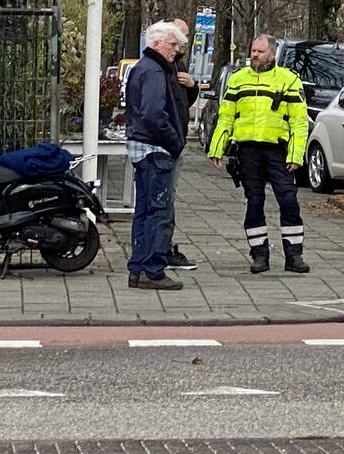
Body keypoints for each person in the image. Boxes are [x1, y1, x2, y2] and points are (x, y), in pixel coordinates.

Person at [209, 34, 310, 274]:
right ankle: (259, 255)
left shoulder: (288, 80)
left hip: (277, 150)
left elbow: (299, 121)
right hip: (248, 150)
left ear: (273, 54)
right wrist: (217, 148)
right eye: (253, 50)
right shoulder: (238, 80)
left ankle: (294, 256)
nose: (254, 55)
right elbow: (226, 117)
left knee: (288, 200)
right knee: (254, 202)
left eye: (260, 51)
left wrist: (296, 155)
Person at [123, 21, 188, 291]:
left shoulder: (142, 68)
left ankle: (138, 268)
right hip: (155, 149)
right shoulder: (154, 72)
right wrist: (174, 140)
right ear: (157, 43)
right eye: (173, 45)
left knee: (144, 211)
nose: (176, 51)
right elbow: (153, 113)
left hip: (142, 148)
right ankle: (153, 269)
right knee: (159, 211)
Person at [164, 17, 201, 272]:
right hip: (167, 143)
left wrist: (193, 86)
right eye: (180, 37)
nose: (183, 43)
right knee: (163, 198)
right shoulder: (162, 66)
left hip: (175, 141)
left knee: (167, 197)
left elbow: (184, 102)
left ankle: (162, 247)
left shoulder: (178, 64)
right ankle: (161, 249)